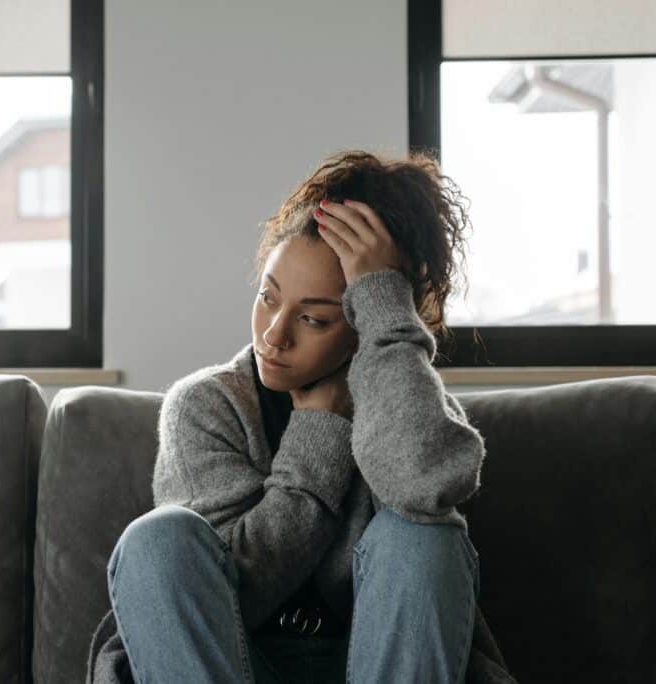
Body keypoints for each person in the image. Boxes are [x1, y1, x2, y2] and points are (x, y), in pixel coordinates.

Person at [86, 150, 517, 683]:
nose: (274, 334)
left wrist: (384, 300)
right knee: (158, 539)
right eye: (268, 297)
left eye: (313, 318)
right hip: (232, 666)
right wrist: (321, 435)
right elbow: (237, 594)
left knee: (423, 537)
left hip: (374, 666)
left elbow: (425, 486)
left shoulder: (412, 407)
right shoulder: (206, 406)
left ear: (366, 319)